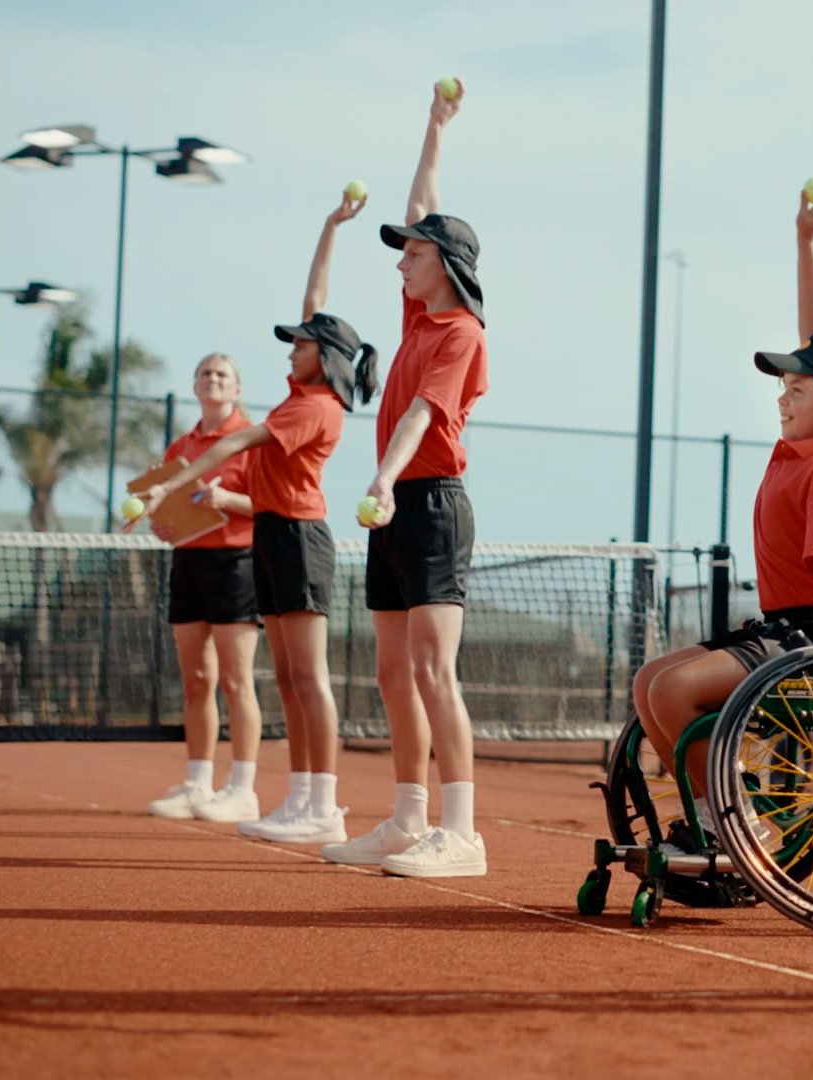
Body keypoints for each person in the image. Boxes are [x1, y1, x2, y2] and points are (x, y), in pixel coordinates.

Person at [630, 182, 813, 836]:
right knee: (649, 681)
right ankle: (712, 813)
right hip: (781, 627)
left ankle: (732, 822)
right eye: (784, 387)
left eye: (799, 389)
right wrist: (805, 240)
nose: (782, 397)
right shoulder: (804, 450)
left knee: (670, 691)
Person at [138, 188, 379, 846]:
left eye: (300, 344)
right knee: (291, 679)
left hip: (299, 537)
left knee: (308, 678)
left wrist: (170, 486)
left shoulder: (311, 407)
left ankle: (322, 805)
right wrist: (331, 226)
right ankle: (301, 798)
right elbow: (316, 301)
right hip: (275, 535)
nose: (290, 348)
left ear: (322, 357)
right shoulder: (304, 387)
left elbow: (232, 445)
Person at [318, 80, 491, 878]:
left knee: (431, 668)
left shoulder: (460, 335)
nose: (400, 263)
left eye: (414, 254)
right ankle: (407, 818)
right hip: (393, 506)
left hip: (428, 505)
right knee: (392, 672)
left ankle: (463, 832)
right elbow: (424, 201)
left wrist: (383, 479)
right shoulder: (418, 317)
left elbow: (423, 416)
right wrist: (435, 126)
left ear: (446, 266)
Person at [145, 354, 266, 823]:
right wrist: (164, 526)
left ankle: (243, 788)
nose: (213, 379)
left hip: (236, 563)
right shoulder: (181, 445)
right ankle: (198, 783)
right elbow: (167, 505)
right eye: (205, 374)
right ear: (195, 385)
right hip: (187, 563)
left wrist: (226, 499)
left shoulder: (252, 439)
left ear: (236, 389)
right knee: (197, 681)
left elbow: (271, 504)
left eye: (222, 375)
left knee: (237, 681)